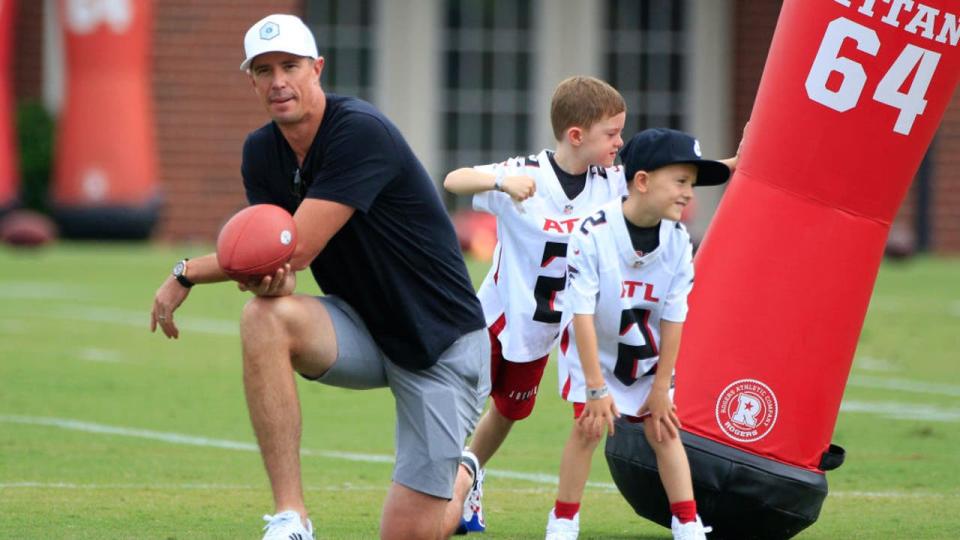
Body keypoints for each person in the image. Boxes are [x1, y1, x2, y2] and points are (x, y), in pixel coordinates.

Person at [150, 14, 489, 540]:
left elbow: (295, 245)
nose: (278, 81)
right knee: (264, 317)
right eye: (264, 70)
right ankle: (292, 516)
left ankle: (464, 477)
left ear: (317, 69)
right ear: (251, 82)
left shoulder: (359, 131)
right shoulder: (260, 152)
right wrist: (274, 283)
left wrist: (187, 273)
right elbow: (275, 262)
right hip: (363, 326)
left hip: (438, 345)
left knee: (407, 536)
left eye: (289, 65)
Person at [442, 76, 628, 534]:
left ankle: (470, 473)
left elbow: (673, 170)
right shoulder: (526, 173)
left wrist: (740, 164)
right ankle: (440, 487)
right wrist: (501, 181)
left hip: (545, 331)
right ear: (576, 135)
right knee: (458, 401)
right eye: (612, 133)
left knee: (508, 412)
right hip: (496, 315)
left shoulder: (610, 183)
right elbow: (454, 179)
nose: (621, 143)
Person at [546, 128, 732, 540]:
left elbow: (674, 316)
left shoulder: (679, 242)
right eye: (681, 182)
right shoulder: (592, 233)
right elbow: (581, 312)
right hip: (593, 346)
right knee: (588, 429)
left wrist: (662, 386)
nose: (689, 194)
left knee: (663, 428)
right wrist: (595, 386)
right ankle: (563, 520)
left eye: (692, 185)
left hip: (644, 350)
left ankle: (686, 522)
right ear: (643, 181)